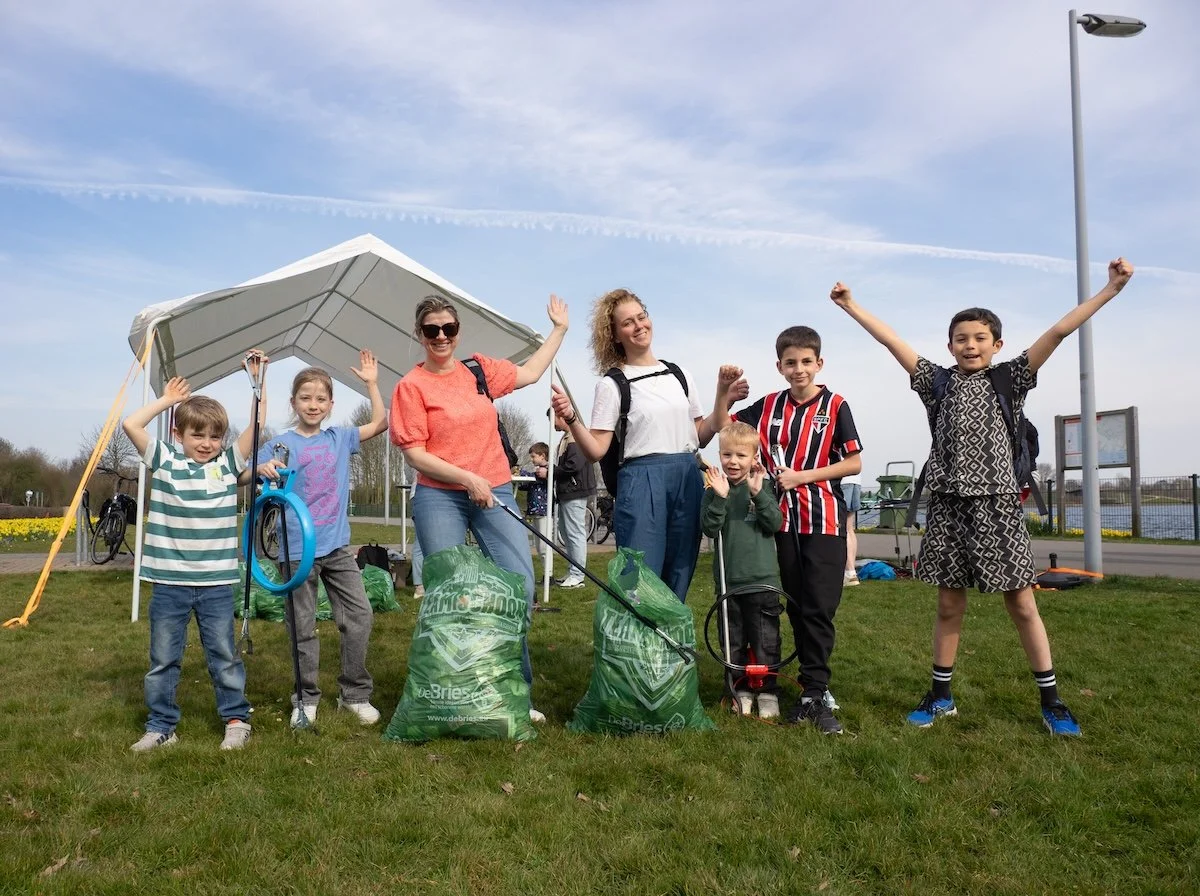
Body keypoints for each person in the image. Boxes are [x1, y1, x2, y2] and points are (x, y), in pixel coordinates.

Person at [830, 258, 1134, 736]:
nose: (970, 345)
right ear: (949, 345)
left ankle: (1052, 701)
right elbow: (892, 342)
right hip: (948, 507)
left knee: (1022, 605)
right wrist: (851, 306)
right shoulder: (937, 382)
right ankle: (941, 696)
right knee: (949, 606)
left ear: (997, 345)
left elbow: (1057, 332)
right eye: (961, 339)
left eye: (979, 338)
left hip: (998, 507)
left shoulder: (1010, 379)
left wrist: (1110, 290)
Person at [390, 293, 570, 723]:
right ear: (420, 334)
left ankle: (513, 690)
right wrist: (465, 478)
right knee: (449, 594)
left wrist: (559, 330)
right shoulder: (411, 386)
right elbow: (415, 453)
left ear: (457, 332)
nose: (440, 336)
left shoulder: (478, 369)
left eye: (448, 328)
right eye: (431, 329)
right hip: (439, 496)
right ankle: (452, 691)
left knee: (520, 586)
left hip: (496, 490)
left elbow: (529, 372)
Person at [712, 325, 862, 734]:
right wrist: (724, 393)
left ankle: (817, 686)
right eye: (790, 363)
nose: (799, 370)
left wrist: (803, 477)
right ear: (779, 366)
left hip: (824, 519)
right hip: (781, 522)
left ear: (819, 363)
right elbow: (727, 428)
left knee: (820, 605)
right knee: (793, 604)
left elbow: (854, 463)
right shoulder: (770, 406)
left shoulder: (835, 405)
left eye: (806, 362)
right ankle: (810, 687)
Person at [549, 288, 745, 602]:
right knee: (638, 577)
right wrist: (572, 418)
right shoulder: (612, 384)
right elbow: (597, 449)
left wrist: (722, 393)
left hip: (686, 476)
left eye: (642, 316)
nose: (639, 325)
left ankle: (670, 647)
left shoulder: (679, 375)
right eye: (627, 322)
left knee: (680, 569)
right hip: (641, 480)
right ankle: (637, 647)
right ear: (614, 334)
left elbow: (701, 434)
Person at [122, 359, 264, 752]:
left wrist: (258, 383)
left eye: (215, 436)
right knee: (163, 659)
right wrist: (166, 399)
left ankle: (236, 718)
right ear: (177, 433)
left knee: (223, 655)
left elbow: (255, 427)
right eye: (197, 434)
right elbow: (131, 425)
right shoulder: (164, 460)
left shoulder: (227, 466)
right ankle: (161, 726)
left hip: (217, 584)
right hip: (169, 584)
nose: (206, 443)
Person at [256, 350, 389, 729]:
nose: (313, 404)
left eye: (320, 398)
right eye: (305, 397)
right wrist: (263, 468)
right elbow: (246, 475)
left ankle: (355, 694)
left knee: (359, 616)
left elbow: (379, 422)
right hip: (296, 549)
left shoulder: (339, 437)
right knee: (302, 625)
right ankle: (306, 698)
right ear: (294, 402)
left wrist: (371, 384)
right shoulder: (281, 444)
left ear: (331, 404)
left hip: (336, 548)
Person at [701, 422, 785, 720]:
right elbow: (709, 528)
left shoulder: (763, 486)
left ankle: (767, 691)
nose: (733, 461)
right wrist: (720, 498)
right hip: (728, 583)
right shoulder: (714, 489)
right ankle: (738, 690)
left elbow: (774, 523)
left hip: (762, 582)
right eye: (726, 455)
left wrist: (758, 494)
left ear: (754, 457)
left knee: (765, 641)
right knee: (732, 641)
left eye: (740, 455)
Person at [551, 408, 597, 588]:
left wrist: (550, 471)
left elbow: (574, 466)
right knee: (567, 533)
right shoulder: (567, 438)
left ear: (561, 417)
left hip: (574, 491)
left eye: (553, 419)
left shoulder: (574, 437)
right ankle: (573, 571)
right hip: (567, 492)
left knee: (575, 533)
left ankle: (578, 575)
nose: (552, 424)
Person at [518, 442, 551, 545]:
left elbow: (535, 478)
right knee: (538, 544)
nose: (531, 459)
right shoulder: (539, 471)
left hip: (543, 511)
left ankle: (547, 560)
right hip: (536, 511)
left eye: (533, 457)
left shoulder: (546, 471)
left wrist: (520, 472)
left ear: (542, 456)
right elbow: (531, 484)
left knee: (543, 545)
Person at [842, 472, 862, 586]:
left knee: (841, 528)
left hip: (842, 482)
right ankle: (851, 572)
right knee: (849, 528)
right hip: (855, 481)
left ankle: (848, 572)